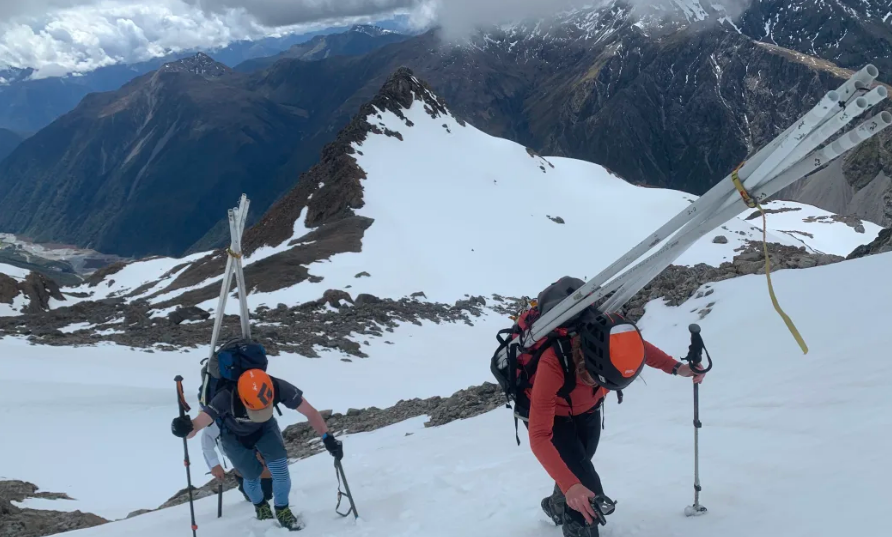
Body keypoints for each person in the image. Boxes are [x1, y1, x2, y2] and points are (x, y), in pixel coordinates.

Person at [531, 323, 706, 537]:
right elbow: (539, 437)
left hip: (589, 409)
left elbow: (641, 349)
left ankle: (556, 506)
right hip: (554, 417)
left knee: (581, 462)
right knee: (589, 491)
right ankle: (577, 525)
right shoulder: (553, 362)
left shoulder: (612, 339)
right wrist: (571, 486)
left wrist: (678, 368)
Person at [172, 369, 343, 531]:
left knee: (280, 470)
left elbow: (311, 412)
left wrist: (327, 438)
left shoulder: (278, 387)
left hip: (265, 429)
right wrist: (184, 427)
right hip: (232, 435)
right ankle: (261, 506)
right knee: (251, 476)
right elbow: (197, 426)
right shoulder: (225, 397)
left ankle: (282, 509)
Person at [201, 422, 273, 503]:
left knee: (261, 464)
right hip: (233, 447)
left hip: (254, 438)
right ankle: (252, 493)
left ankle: (266, 492)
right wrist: (215, 465)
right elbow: (207, 441)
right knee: (243, 467)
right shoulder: (215, 417)